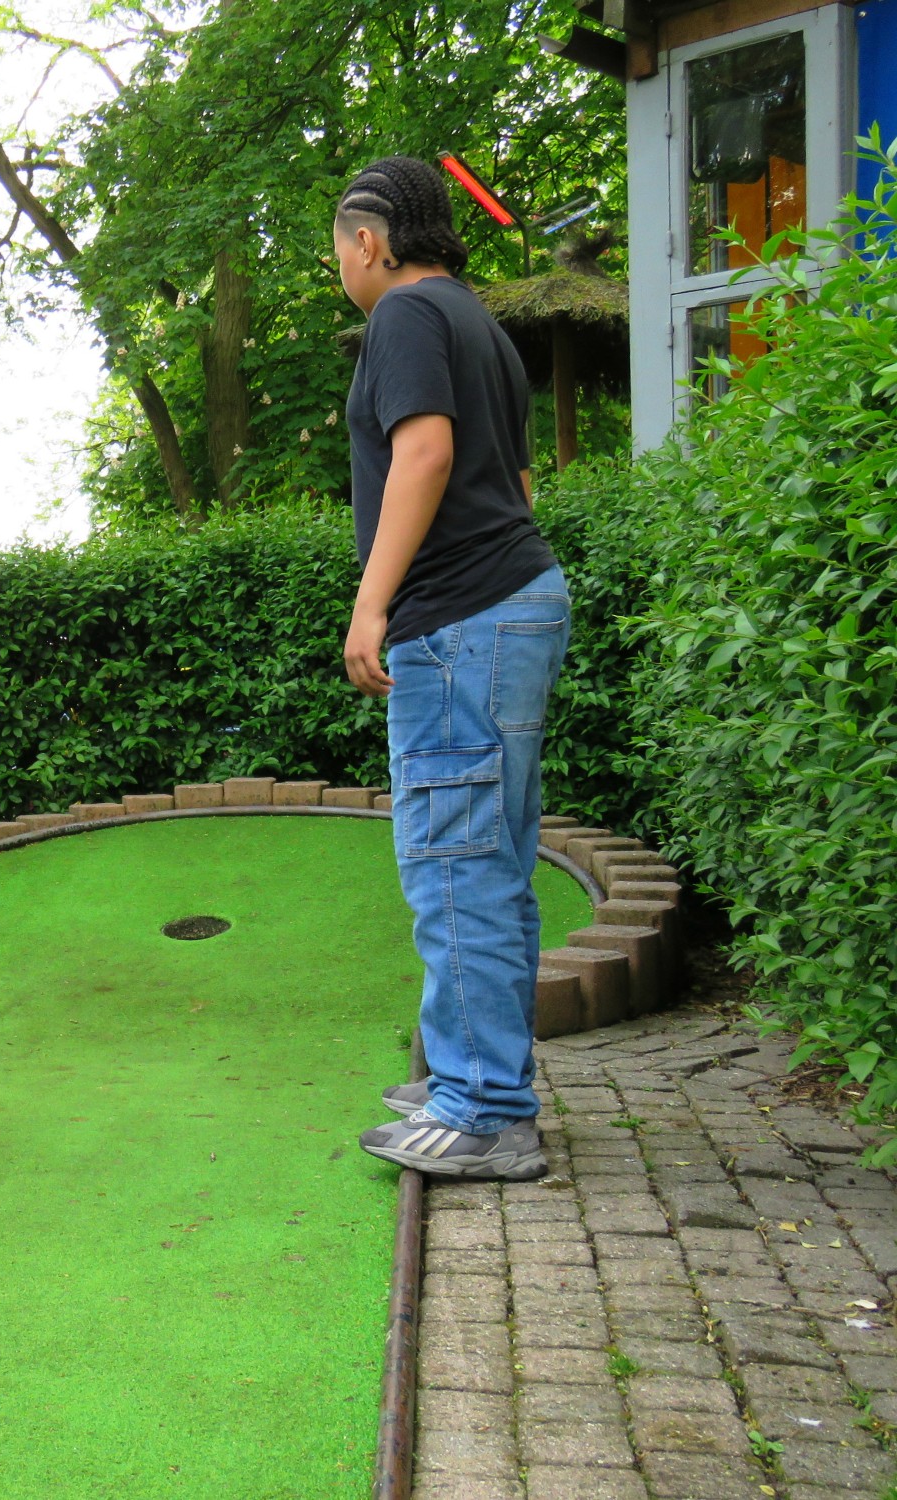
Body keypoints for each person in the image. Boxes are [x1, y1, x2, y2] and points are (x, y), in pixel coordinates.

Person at [333, 157, 571, 1182]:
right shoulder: (480, 326)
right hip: (514, 601)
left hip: (462, 618)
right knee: (491, 860)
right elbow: (514, 481)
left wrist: (371, 602)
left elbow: (423, 454)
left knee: (451, 860)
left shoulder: (403, 316)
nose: (340, 267)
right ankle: (473, 1077)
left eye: (338, 248)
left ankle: (481, 1109)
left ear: (370, 241)